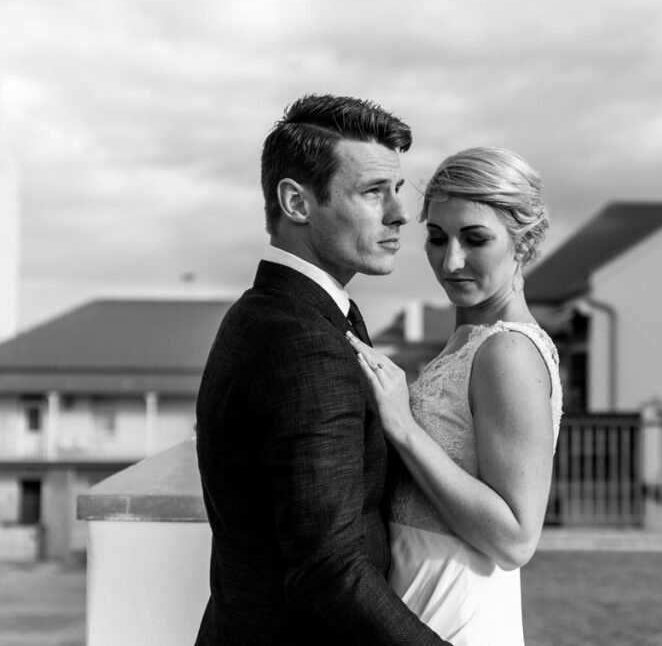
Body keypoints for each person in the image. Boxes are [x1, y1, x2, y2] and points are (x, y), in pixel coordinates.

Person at [194, 94, 450, 645]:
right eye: (373, 192)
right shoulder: (302, 341)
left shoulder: (266, 312)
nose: (400, 214)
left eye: (397, 190)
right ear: (297, 202)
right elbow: (329, 571)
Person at [347, 147, 562, 645]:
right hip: (416, 598)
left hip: (458, 610)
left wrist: (403, 428)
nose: (451, 261)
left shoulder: (508, 351)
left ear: (525, 242)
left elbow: (515, 539)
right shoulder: (469, 339)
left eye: (475, 238)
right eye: (438, 237)